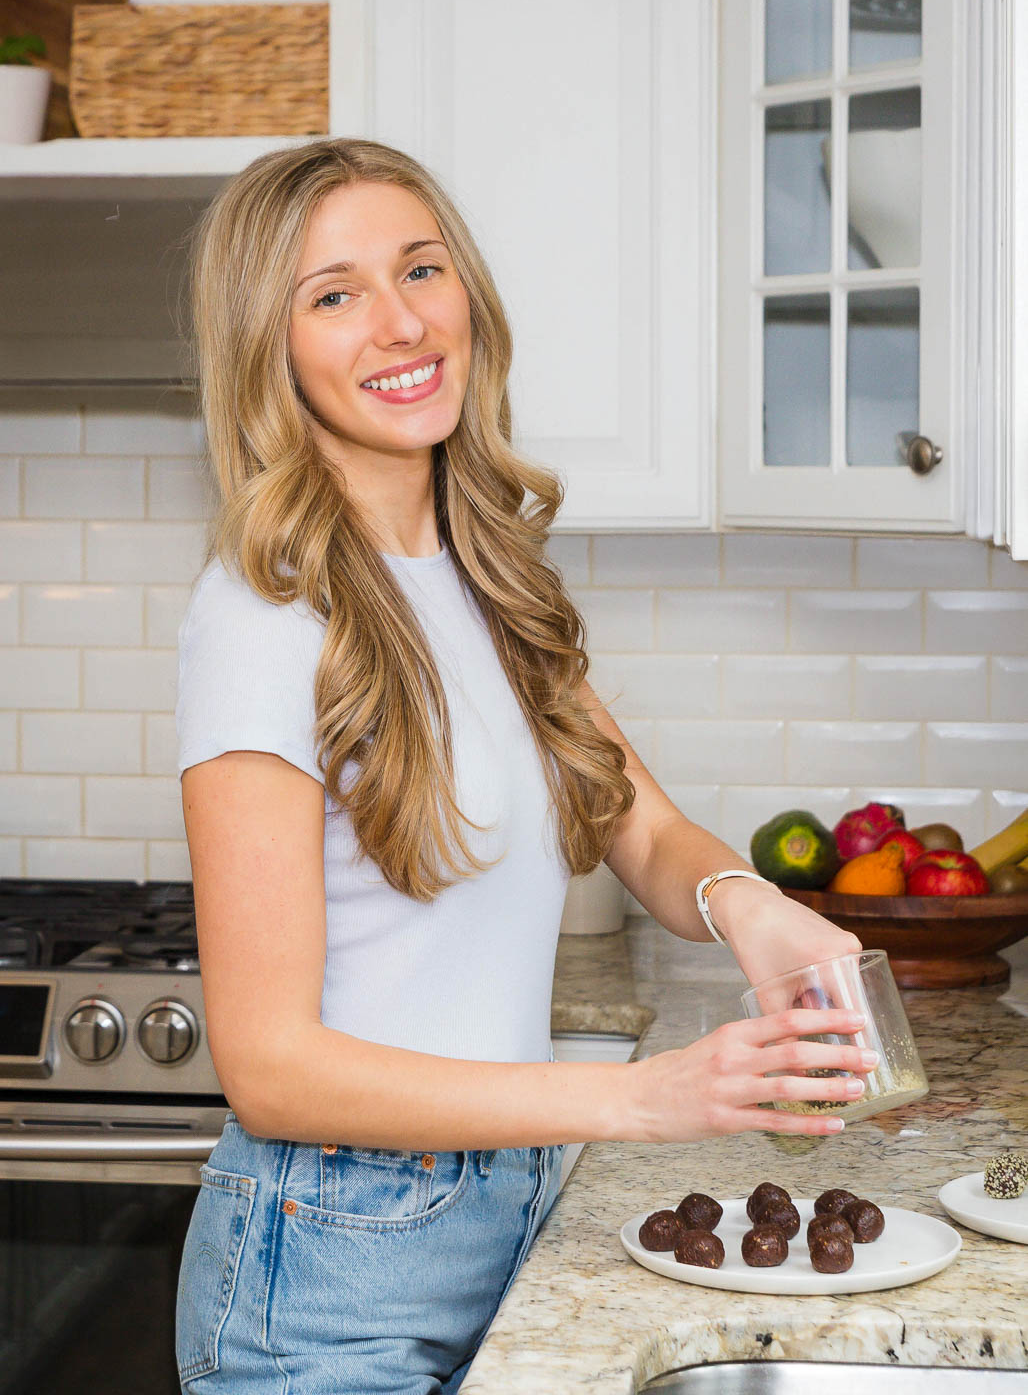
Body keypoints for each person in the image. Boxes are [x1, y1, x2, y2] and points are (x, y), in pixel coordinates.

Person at [174, 137, 875, 1395]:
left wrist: (751, 909)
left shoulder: (490, 577)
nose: (398, 323)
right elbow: (267, 1067)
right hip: (328, 1272)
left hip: (502, 1212)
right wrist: (636, 1102)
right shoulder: (263, 616)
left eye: (420, 270)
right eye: (333, 295)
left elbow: (642, 831)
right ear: (267, 348)